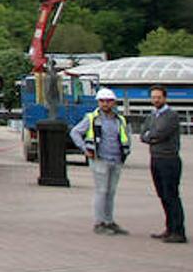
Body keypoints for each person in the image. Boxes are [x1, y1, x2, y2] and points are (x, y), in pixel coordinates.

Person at [70, 87, 131, 235]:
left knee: (111, 192)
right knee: (101, 191)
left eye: (108, 101)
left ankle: (109, 221)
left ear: (113, 102)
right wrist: (85, 149)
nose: (105, 104)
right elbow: (75, 132)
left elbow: (126, 136)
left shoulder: (120, 120)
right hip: (100, 159)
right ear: (98, 102)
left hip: (116, 159)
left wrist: (126, 151)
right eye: (102, 101)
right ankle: (99, 222)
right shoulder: (92, 118)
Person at [140, 84, 185, 243]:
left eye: (158, 97)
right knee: (163, 195)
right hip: (155, 158)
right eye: (153, 97)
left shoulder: (171, 115)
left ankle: (178, 231)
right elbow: (143, 134)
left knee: (171, 195)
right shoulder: (152, 115)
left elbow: (159, 133)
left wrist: (150, 136)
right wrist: (149, 136)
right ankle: (169, 228)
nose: (156, 100)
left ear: (165, 98)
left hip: (169, 159)